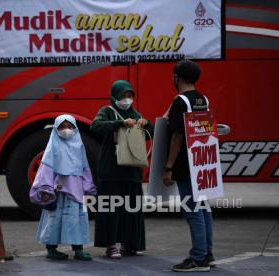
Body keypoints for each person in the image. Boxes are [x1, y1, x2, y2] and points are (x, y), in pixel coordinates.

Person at [90, 80, 153, 259]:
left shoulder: (136, 113)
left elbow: (153, 133)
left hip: (132, 169)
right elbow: (95, 126)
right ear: (114, 96)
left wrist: (146, 124)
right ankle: (111, 245)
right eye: (123, 96)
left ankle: (131, 244)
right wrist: (120, 123)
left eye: (129, 95)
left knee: (132, 208)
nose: (126, 99)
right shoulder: (107, 111)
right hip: (111, 169)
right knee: (111, 207)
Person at [163, 60, 214, 272]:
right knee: (204, 210)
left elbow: (177, 135)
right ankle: (207, 253)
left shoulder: (180, 101)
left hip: (186, 164)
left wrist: (168, 167)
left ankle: (198, 258)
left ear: (177, 77)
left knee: (193, 211)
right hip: (203, 162)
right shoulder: (203, 99)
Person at [29, 114, 96, 261]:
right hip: (58, 189)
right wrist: (46, 189)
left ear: (75, 128)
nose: (66, 130)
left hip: (76, 190)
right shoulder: (53, 145)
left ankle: (78, 250)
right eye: (62, 127)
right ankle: (51, 249)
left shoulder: (79, 145)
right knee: (55, 218)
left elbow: (84, 167)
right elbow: (45, 169)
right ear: (56, 128)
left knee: (76, 219)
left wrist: (88, 187)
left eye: (70, 126)